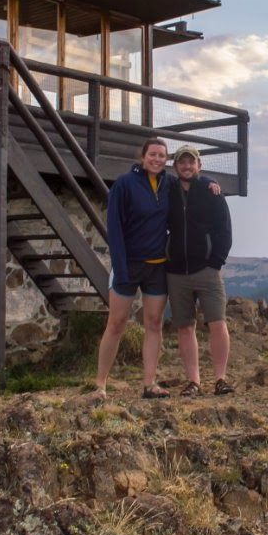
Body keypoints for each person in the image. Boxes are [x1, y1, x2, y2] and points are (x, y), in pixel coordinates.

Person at [95, 138, 175, 399]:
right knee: (116, 323)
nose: (157, 159)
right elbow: (115, 228)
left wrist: (211, 185)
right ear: (143, 157)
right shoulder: (124, 184)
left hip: (157, 268)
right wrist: (119, 266)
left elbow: (192, 187)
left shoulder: (169, 184)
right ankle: (100, 386)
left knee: (154, 323)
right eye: (153, 154)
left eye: (162, 155)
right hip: (127, 264)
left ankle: (150, 384)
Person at [166, 145, 234, 396]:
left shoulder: (211, 192)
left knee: (217, 323)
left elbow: (224, 230)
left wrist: (215, 261)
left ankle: (220, 379)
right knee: (185, 327)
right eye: (182, 163)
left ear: (199, 165)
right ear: (175, 167)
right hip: (175, 272)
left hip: (207, 270)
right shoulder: (168, 190)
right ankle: (193, 382)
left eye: (191, 162)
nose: (186, 166)